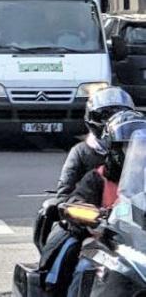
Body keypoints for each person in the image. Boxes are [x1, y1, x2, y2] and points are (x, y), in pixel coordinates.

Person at [65, 110, 146, 296]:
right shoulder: (97, 177)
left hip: (141, 249)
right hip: (108, 247)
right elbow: (76, 201)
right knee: (84, 269)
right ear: (114, 149)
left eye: (142, 146)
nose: (137, 151)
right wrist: (90, 214)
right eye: (128, 146)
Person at [57, 87, 135, 197]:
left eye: (119, 115)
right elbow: (64, 192)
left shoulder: (138, 149)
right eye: (105, 116)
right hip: (94, 210)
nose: (113, 121)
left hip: (135, 209)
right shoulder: (81, 151)